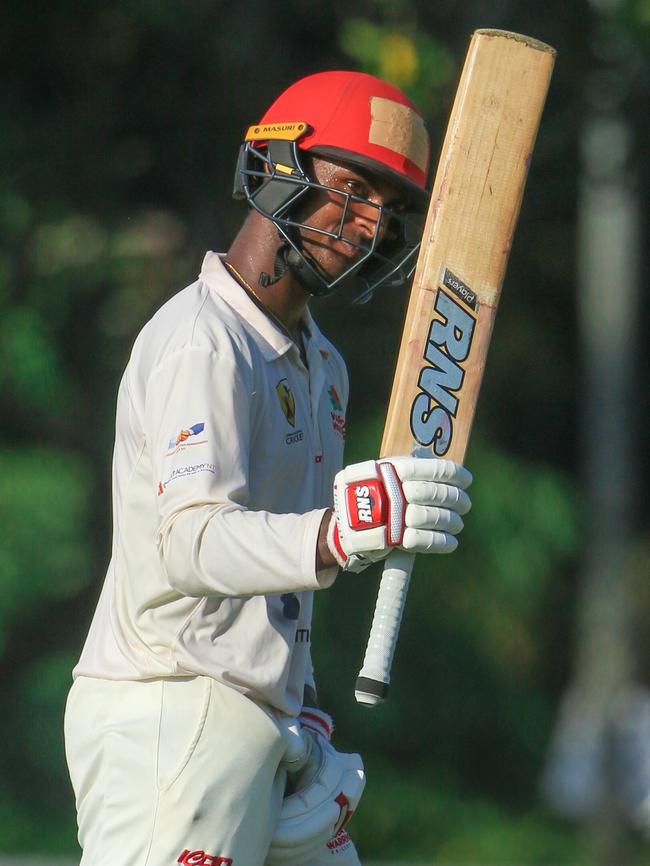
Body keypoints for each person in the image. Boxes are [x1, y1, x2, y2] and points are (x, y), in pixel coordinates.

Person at [64, 70, 472, 866]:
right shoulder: (203, 340)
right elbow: (191, 544)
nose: (366, 226)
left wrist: (305, 712)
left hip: (261, 721)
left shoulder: (323, 364)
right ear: (279, 167)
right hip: (170, 712)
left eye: (387, 210)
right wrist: (341, 532)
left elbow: (274, 586)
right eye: (352, 189)